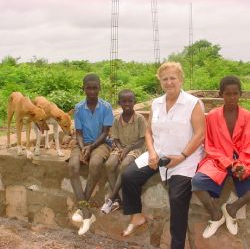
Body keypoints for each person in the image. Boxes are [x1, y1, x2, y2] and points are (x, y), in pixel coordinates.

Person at [121, 62, 205, 249]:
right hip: (158, 153)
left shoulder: (193, 103)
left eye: (172, 78)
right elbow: (149, 132)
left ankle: (177, 245)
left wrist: (182, 156)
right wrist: (151, 152)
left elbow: (200, 133)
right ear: (160, 82)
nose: (169, 83)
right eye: (164, 79)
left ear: (181, 79)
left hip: (185, 159)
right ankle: (137, 215)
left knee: (177, 199)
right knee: (128, 176)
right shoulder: (156, 103)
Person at [192, 75, 250, 238]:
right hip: (219, 160)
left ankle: (232, 209)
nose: (232, 97)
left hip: (243, 161)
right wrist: (227, 162)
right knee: (196, 182)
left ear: (240, 94)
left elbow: (248, 144)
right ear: (220, 94)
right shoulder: (212, 116)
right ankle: (216, 215)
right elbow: (209, 144)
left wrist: (241, 165)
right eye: (228, 94)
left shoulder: (247, 116)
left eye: (235, 93)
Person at [68, 73, 114, 235]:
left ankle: (82, 208)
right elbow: (78, 133)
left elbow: (105, 132)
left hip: (101, 144)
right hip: (82, 143)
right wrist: (82, 148)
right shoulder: (79, 108)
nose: (92, 91)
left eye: (95, 88)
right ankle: (86, 213)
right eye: (89, 88)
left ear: (99, 88)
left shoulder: (106, 107)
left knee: (95, 163)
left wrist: (91, 147)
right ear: (84, 89)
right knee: (73, 165)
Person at [100, 89, 147, 214]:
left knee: (125, 165)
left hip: (136, 148)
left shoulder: (140, 119)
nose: (127, 104)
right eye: (124, 101)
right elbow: (115, 139)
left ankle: (111, 197)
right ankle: (118, 200)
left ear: (134, 102)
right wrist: (121, 149)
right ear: (119, 102)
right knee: (109, 164)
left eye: (130, 101)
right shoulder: (116, 120)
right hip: (121, 147)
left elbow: (142, 140)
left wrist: (127, 149)